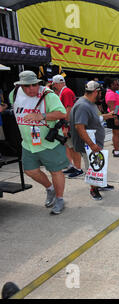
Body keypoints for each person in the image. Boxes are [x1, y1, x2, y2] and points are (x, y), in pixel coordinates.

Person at [9, 71, 69, 215]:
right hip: (28, 143)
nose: (31, 89)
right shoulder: (15, 93)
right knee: (30, 171)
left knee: (56, 171)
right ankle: (50, 189)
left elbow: (62, 114)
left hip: (49, 143)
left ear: (38, 83)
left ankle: (60, 199)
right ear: (20, 85)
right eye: (27, 86)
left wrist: (40, 116)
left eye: (34, 84)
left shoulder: (48, 95)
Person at [70, 81, 116, 200]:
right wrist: (92, 144)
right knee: (92, 167)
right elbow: (79, 127)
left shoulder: (91, 103)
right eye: (100, 92)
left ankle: (100, 184)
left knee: (99, 165)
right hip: (88, 145)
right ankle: (93, 189)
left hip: (94, 143)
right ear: (96, 92)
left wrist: (107, 116)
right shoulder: (83, 106)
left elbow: (94, 119)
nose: (101, 94)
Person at [51, 75, 83, 179]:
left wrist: (65, 125)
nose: (54, 86)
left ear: (56, 84)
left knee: (73, 147)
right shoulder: (65, 92)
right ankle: (74, 166)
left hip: (69, 124)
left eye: (54, 84)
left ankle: (78, 168)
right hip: (68, 123)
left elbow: (69, 109)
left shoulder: (66, 92)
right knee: (69, 146)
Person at [104, 77, 119, 158]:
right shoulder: (110, 94)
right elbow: (112, 108)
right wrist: (115, 118)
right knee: (116, 134)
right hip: (116, 116)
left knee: (118, 133)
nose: (118, 85)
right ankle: (116, 151)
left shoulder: (114, 92)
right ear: (111, 85)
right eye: (116, 84)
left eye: (118, 83)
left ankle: (116, 148)